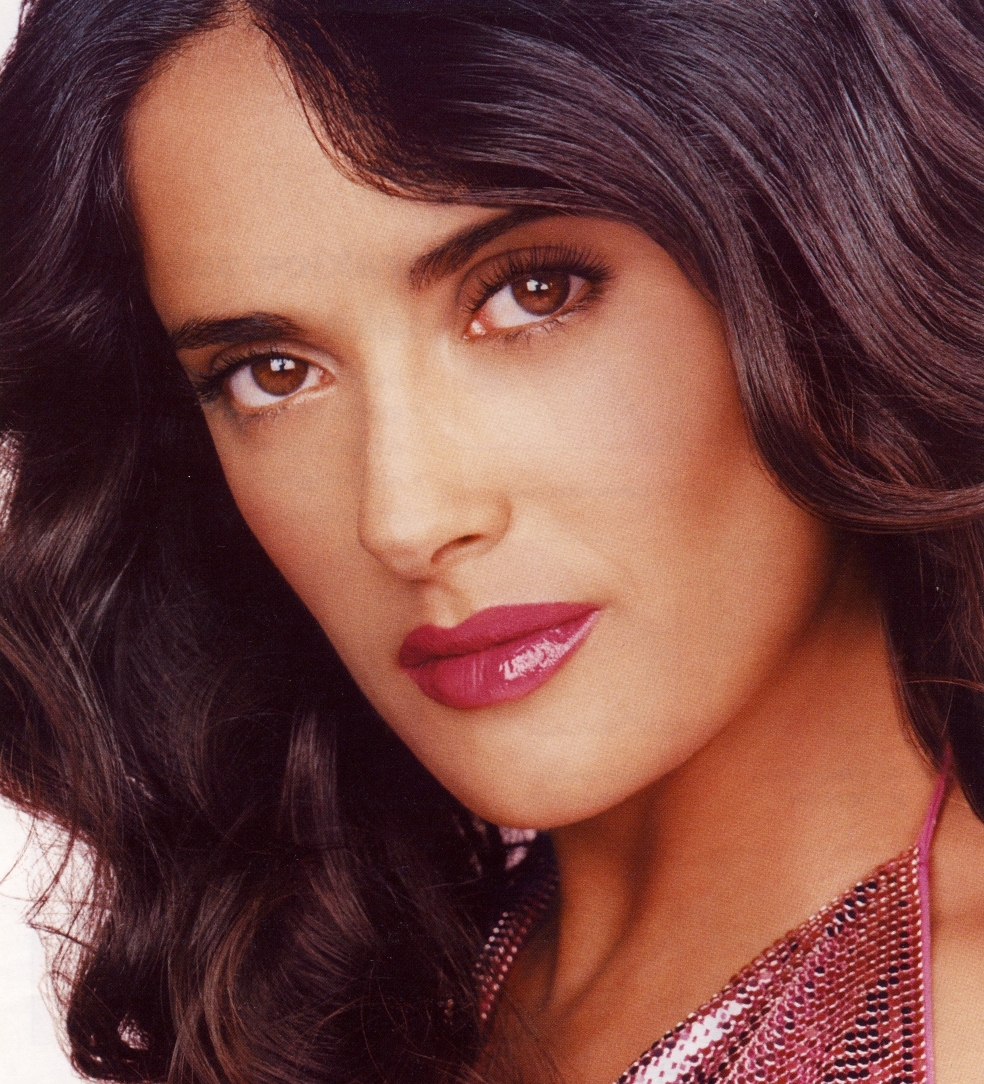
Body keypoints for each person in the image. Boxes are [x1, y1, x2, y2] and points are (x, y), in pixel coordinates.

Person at [0, 1, 982, 1082]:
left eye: (529, 293)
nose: (405, 520)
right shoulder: (348, 982)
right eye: (271, 373)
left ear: (825, 257)